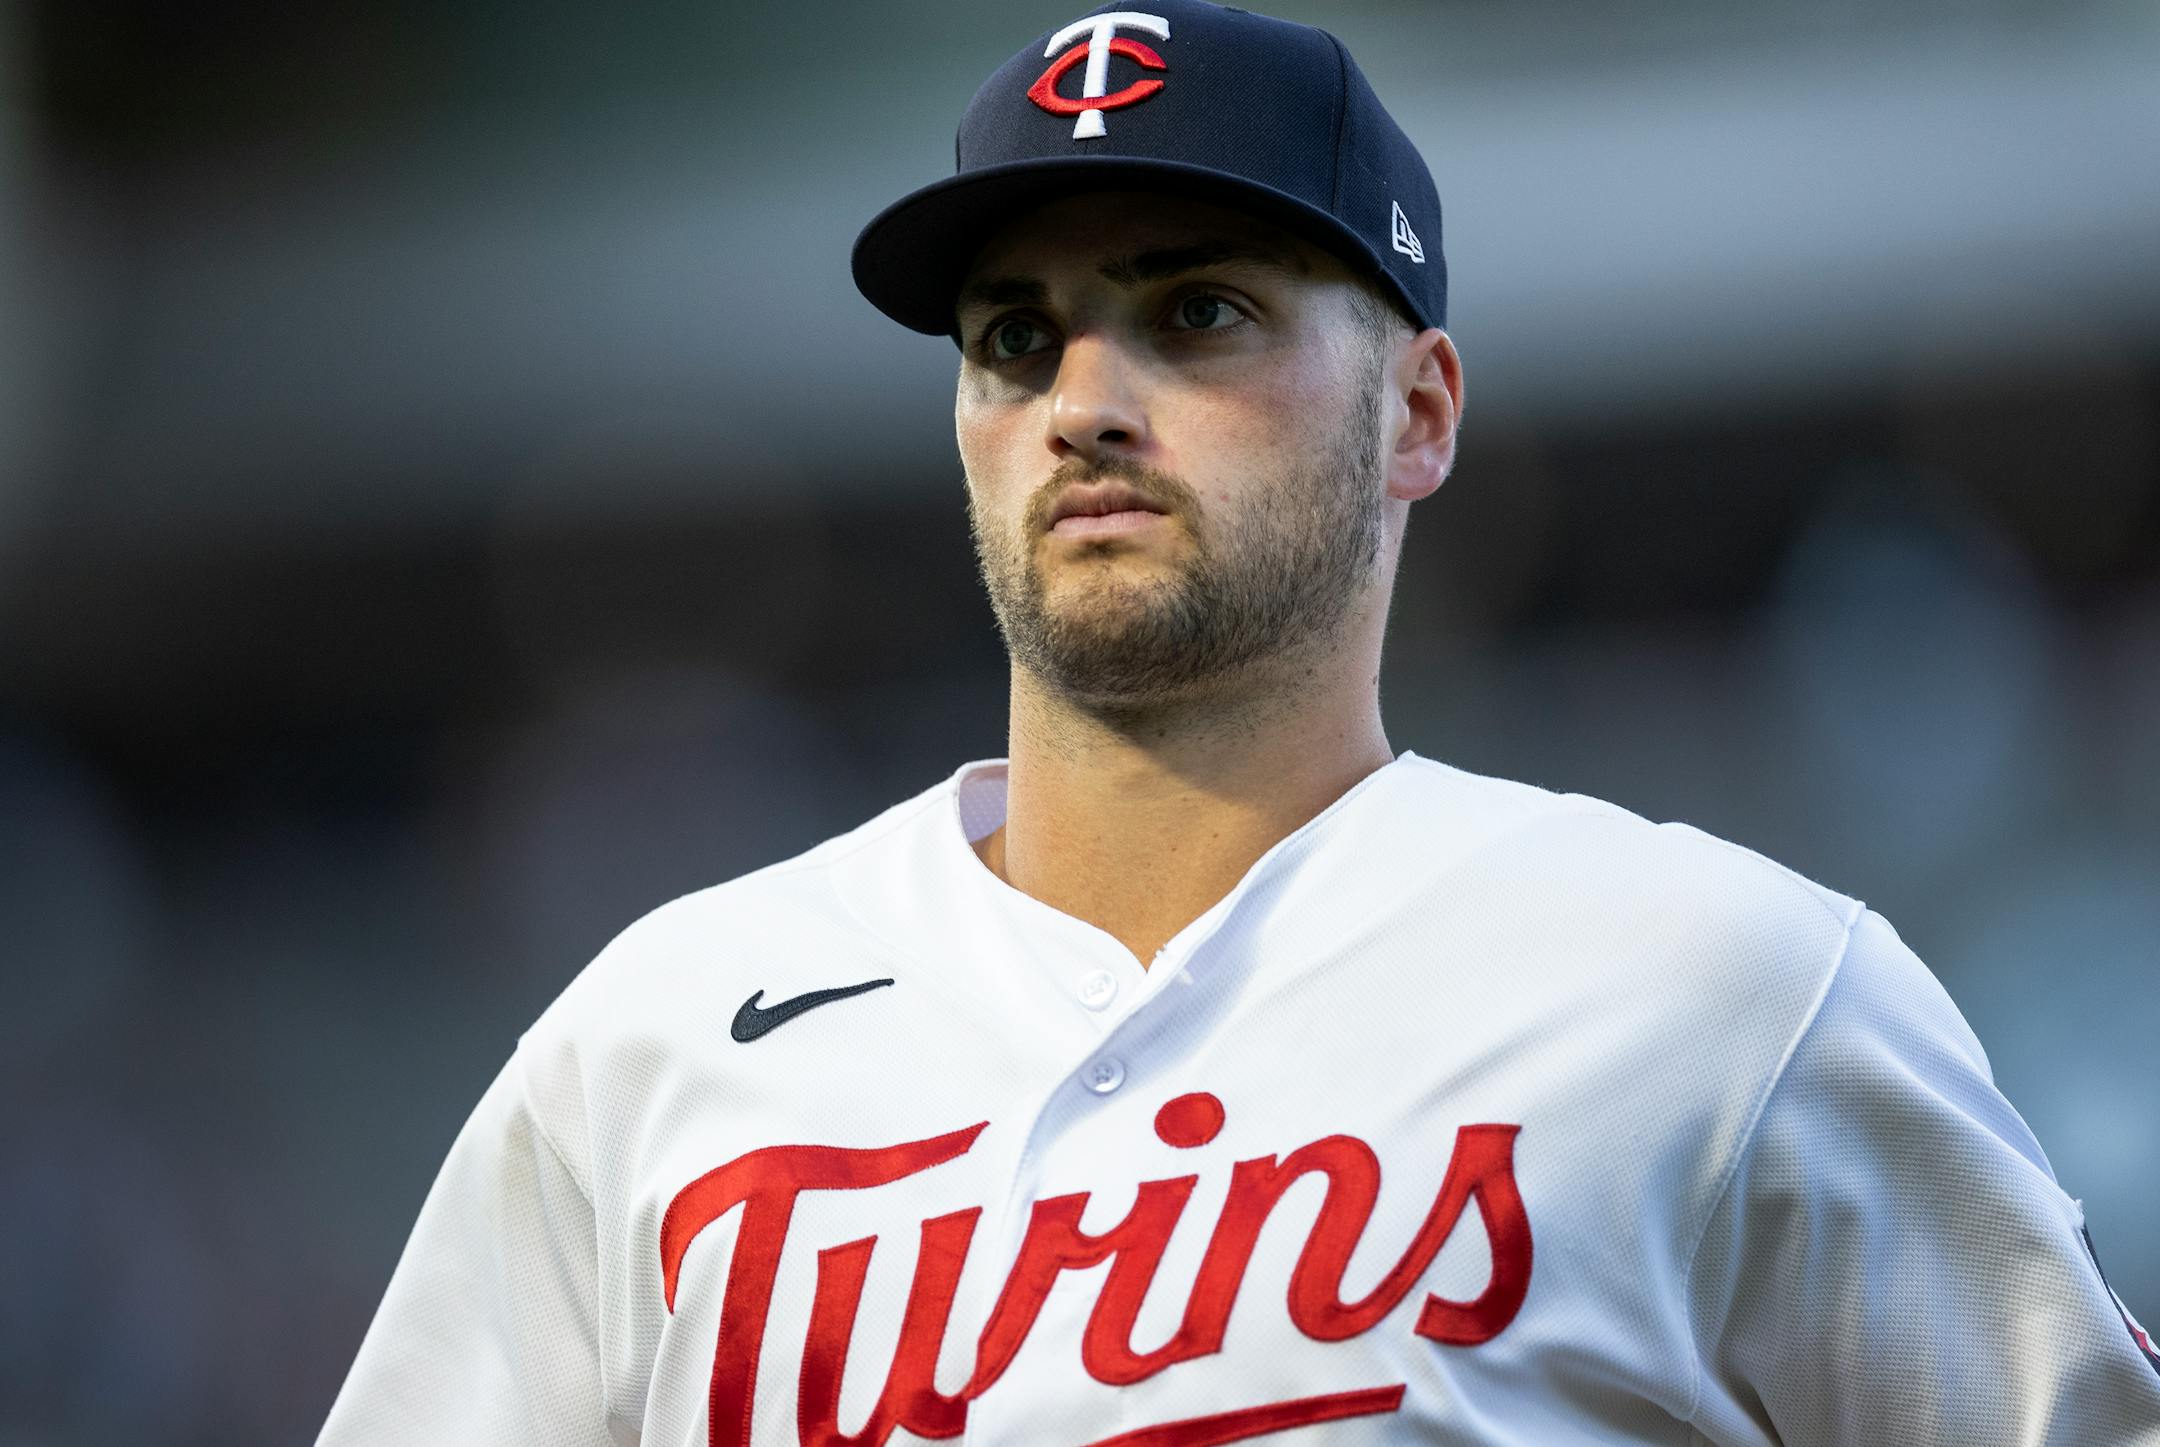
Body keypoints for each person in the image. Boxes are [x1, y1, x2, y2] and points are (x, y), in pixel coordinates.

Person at [316, 2, 2160, 1443]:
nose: (1083, 401)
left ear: (1420, 410)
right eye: (1015, 338)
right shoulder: (652, 1046)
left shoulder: (1724, 993)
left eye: (1195, 313)